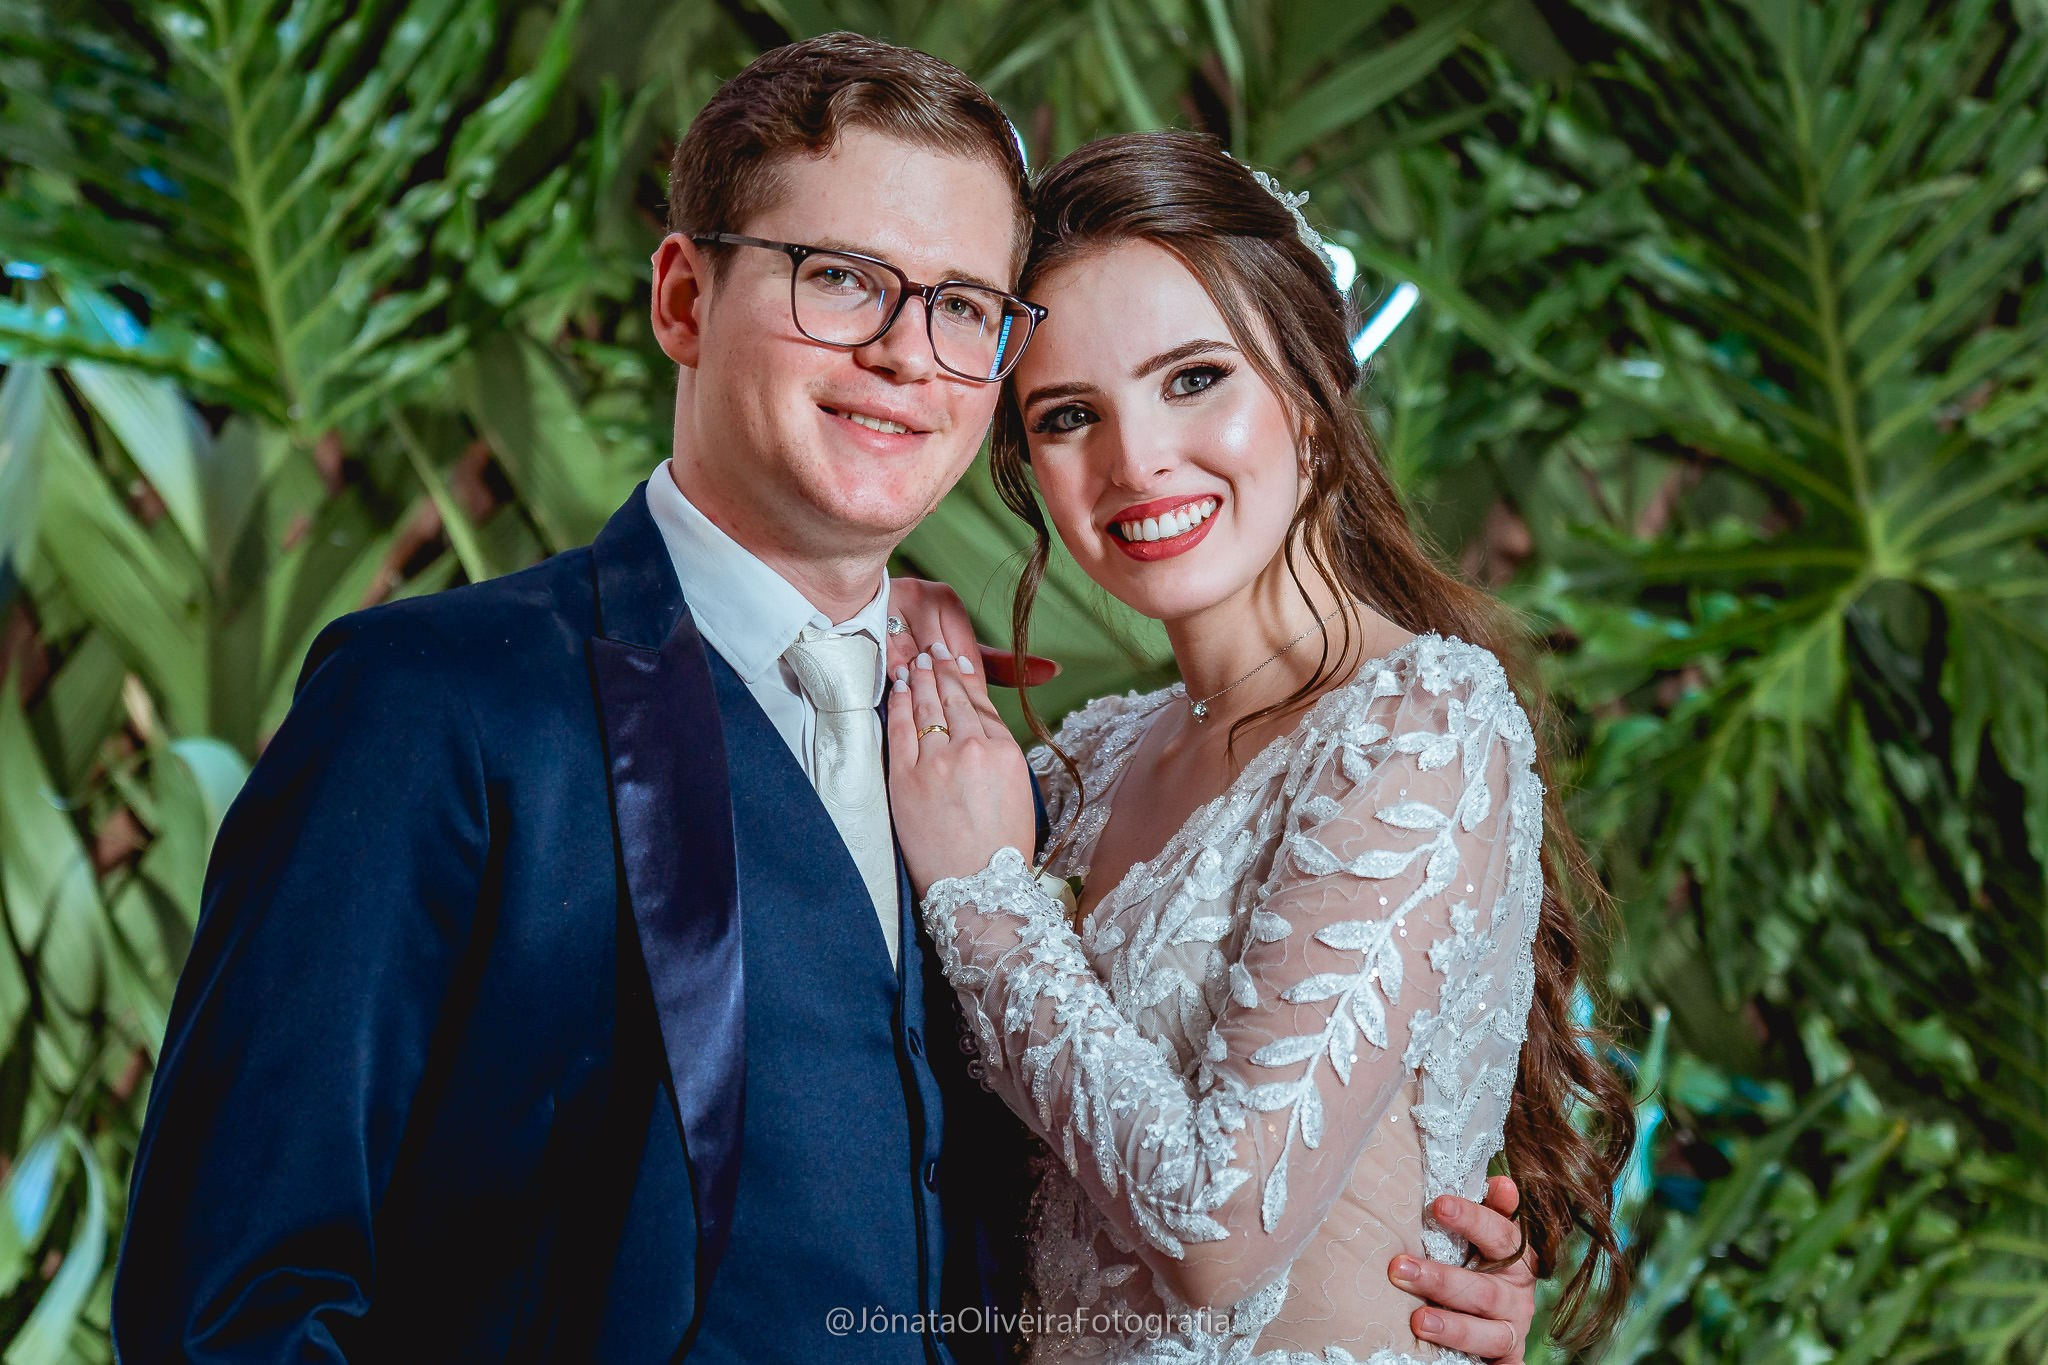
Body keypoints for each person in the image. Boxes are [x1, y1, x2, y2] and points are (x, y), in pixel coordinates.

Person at [112, 35, 1537, 1364]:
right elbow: (232, 1300)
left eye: (964, 307)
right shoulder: (436, 706)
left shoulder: (1013, 783)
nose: (906, 352)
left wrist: (1384, 1254)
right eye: (840, 278)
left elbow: (1161, 1181)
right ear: (683, 296)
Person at [883, 131, 1635, 1364]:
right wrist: (875, 623)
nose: (1136, 463)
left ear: (1306, 379)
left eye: (1191, 379)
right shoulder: (1090, 762)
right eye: (1069, 415)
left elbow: (1218, 1233)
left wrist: (983, 900)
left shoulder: (1417, 719)